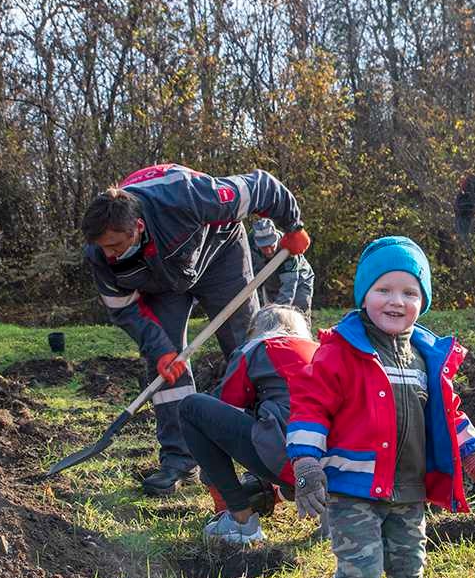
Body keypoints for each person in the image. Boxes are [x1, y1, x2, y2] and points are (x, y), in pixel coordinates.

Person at [286, 235, 475, 578]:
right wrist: (306, 465)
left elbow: (449, 411)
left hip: (408, 490)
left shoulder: (426, 357)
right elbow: (309, 409)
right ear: (364, 294)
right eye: (384, 290)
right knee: (360, 569)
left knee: (408, 565)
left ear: (423, 301)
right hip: (353, 489)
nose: (396, 302)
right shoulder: (341, 351)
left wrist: (473, 455)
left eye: (409, 292)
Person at [80, 163, 310, 497]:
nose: (109, 254)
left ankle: (263, 458)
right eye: (103, 247)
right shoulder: (100, 256)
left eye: (115, 246)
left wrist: (292, 225)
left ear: (138, 227)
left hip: (220, 257)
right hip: (159, 284)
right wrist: (161, 349)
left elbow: (261, 186)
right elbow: (125, 310)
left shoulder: (188, 196)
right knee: (166, 369)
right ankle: (180, 459)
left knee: (248, 349)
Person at [178, 304, 319, 544]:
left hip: (290, 456)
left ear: (256, 329)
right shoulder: (322, 351)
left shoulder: (256, 348)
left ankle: (240, 519)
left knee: (192, 408)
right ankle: (282, 495)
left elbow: (228, 403)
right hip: (338, 468)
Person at [250, 218, 315, 314]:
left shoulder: (287, 250)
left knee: (297, 312)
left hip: (299, 280)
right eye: (263, 247)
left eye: (271, 245)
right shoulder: (249, 243)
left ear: (275, 238)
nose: (268, 251)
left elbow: (288, 289)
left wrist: (276, 313)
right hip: (272, 280)